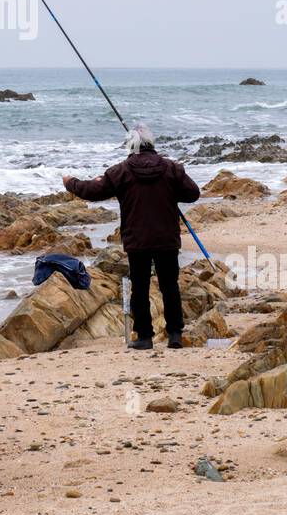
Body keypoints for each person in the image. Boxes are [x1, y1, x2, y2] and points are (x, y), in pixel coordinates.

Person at [62, 124, 200, 350]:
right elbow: (193, 194)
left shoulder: (121, 171)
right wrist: (172, 192)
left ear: (131, 145)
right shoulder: (171, 169)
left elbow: (94, 192)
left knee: (140, 287)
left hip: (137, 241)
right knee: (169, 286)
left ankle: (144, 336)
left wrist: (71, 183)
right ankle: (175, 334)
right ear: (151, 143)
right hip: (166, 238)